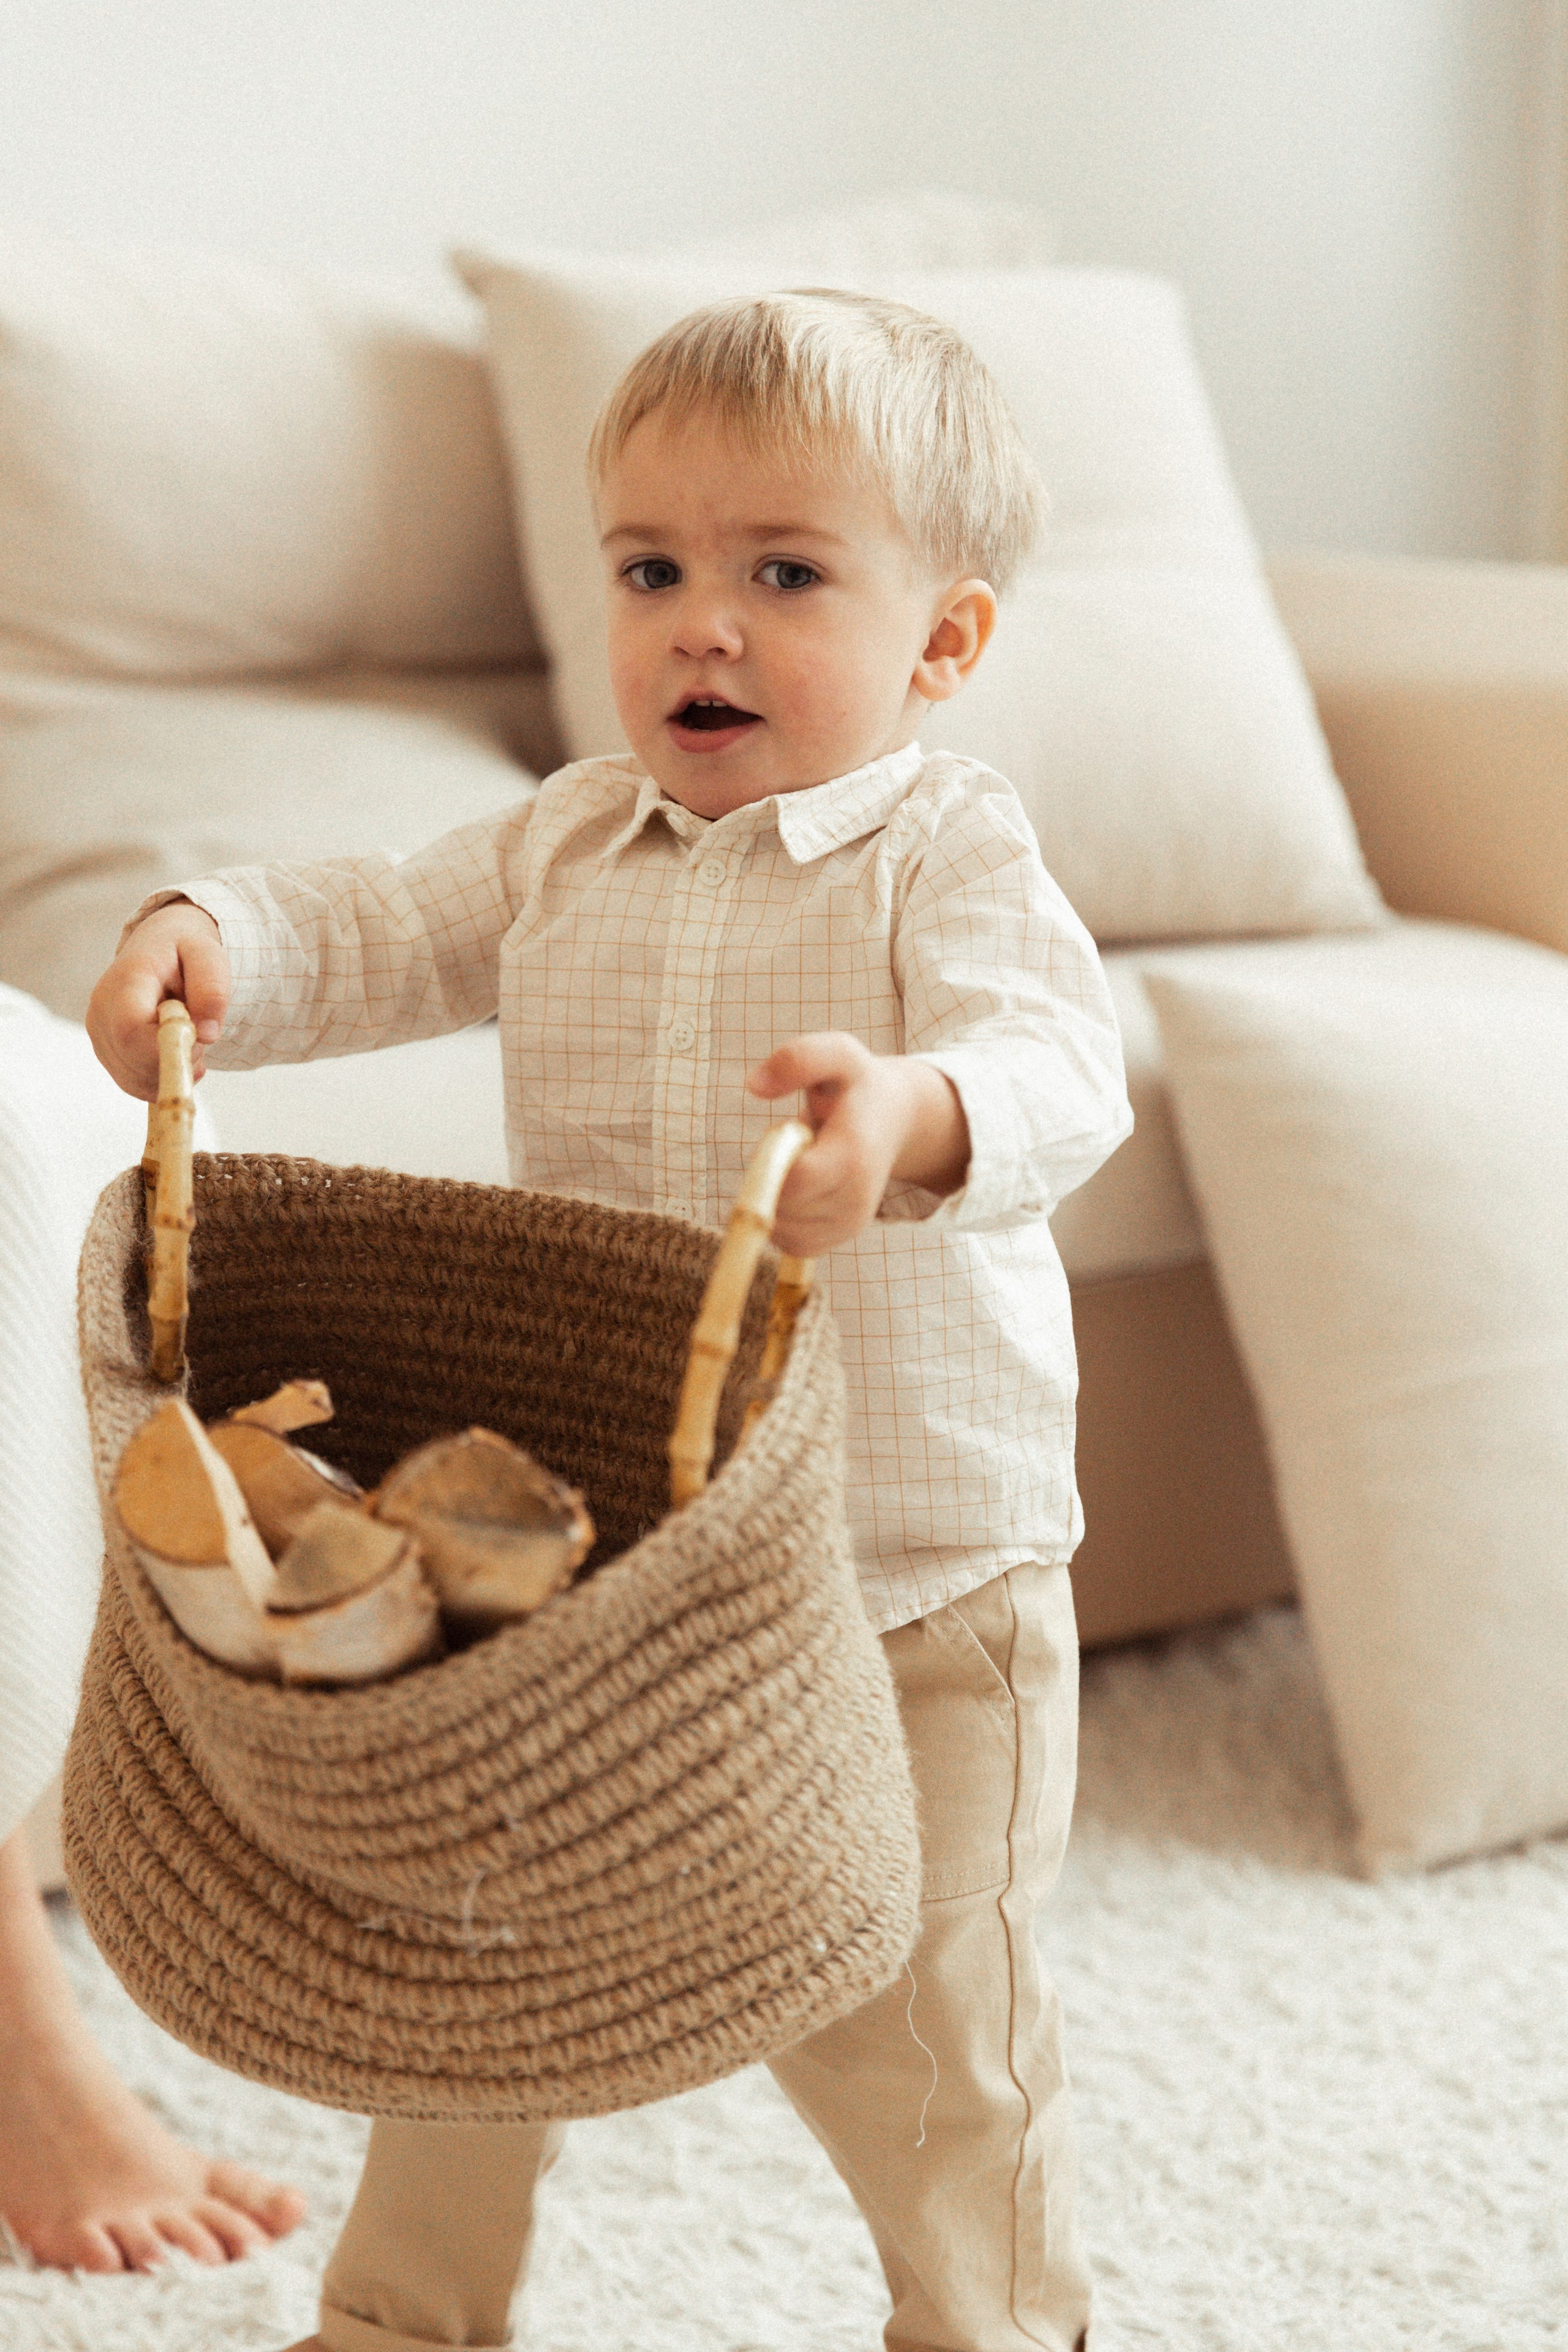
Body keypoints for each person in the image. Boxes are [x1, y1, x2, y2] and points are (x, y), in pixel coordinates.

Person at [87, 289, 1132, 2352]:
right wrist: (211, 938)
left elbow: (1056, 1066)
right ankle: (400, 2321)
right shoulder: (570, 834)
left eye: (785, 575)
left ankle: (997, 2328)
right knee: (479, 1982)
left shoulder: (948, 852)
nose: (701, 627)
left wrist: (909, 1118)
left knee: (928, 2035)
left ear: (943, 643)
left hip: (911, 1582)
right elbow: (376, 925)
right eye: (651, 571)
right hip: (609, 1581)